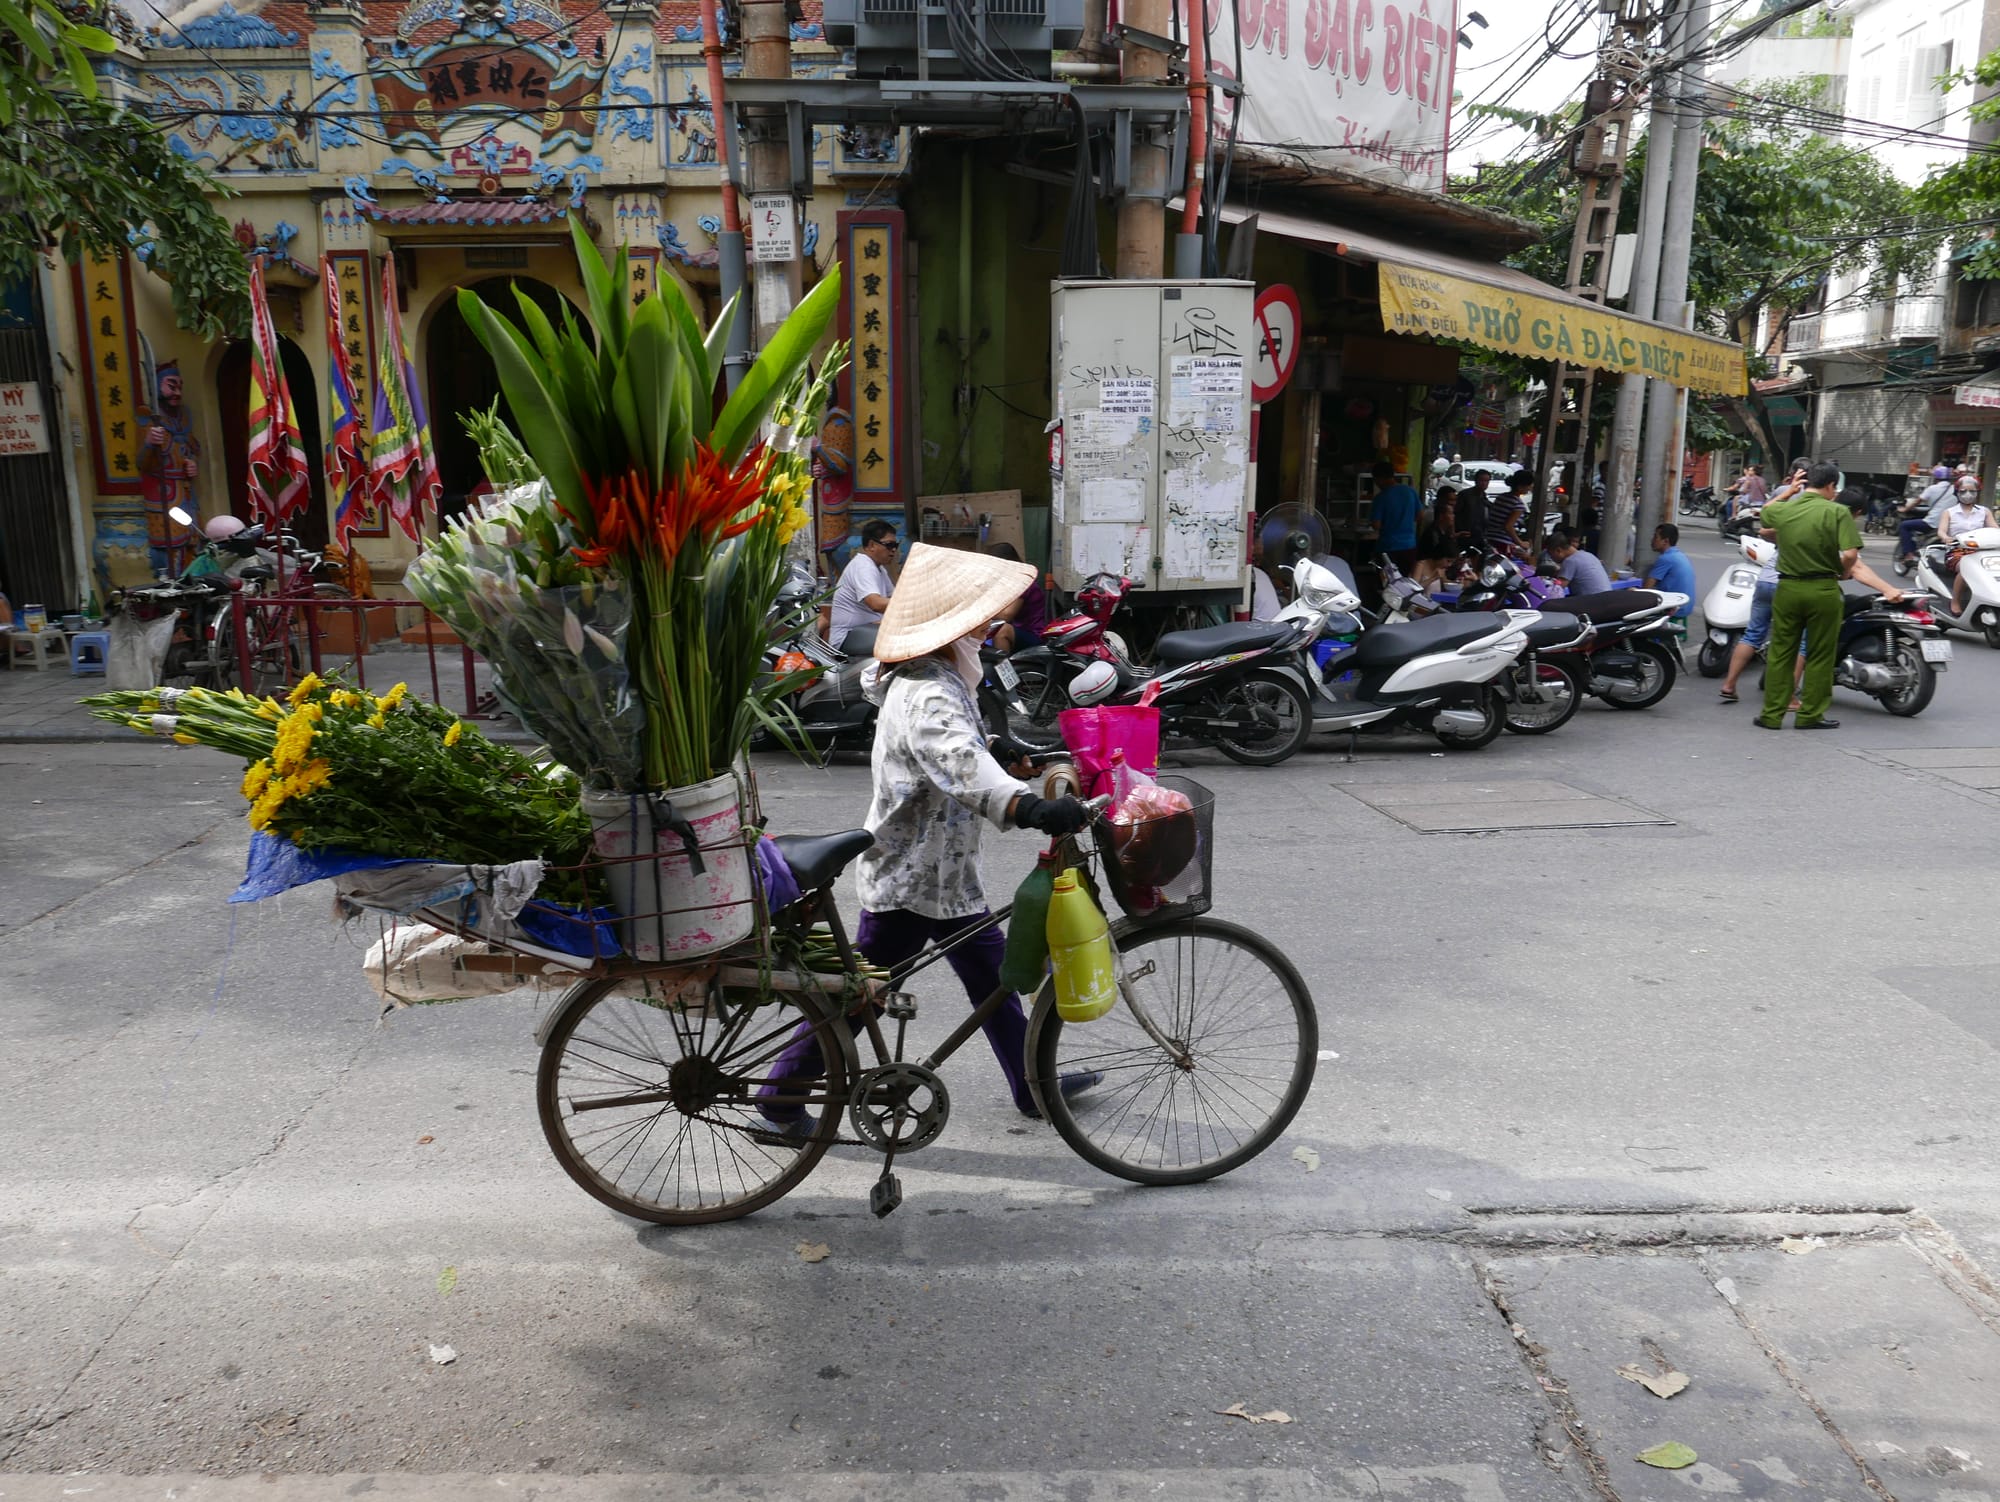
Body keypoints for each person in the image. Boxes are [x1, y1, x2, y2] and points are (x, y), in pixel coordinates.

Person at [756, 545, 1101, 1136]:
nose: (989, 630)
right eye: (980, 620)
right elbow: (958, 762)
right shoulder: (928, 690)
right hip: (912, 878)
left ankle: (1030, 1084)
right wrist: (1030, 806)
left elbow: (962, 752)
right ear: (952, 628)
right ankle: (780, 1094)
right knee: (859, 996)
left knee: (993, 979)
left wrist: (1006, 754)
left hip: (942, 875)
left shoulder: (930, 676)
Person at [1755, 462, 1860, 730]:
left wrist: (1789, 492)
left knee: (1781, 652)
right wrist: (1843, 573)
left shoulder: (1785, 509)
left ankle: (1771, 715)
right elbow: (1849, 554)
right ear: (1830, 485)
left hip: (1788, 588)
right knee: (1820, 654)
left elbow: (1766, 512)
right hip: (1822, 589)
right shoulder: (1837, 512)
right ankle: (1810, 715)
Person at [137, 362, 200, 577]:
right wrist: (148, 442)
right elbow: (142, 463)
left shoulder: (183, 417)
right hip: (163, 495)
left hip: (186, 495)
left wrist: (191, 464)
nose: (177, 393)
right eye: (171, 386)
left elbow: (190, 449)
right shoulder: (147, 418)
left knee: (192, 546)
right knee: (168, 549)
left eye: (179, 387)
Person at [827, 518, 899, 653]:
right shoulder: (863, 566)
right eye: (889, 545)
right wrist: (911, 604)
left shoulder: (879, 569)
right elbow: (875, 603)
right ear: (871, 545)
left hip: (867, 631)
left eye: (896, 545)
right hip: (848, 637)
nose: (894, 550)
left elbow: (895, 597)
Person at [1938, 478, 1998, 613]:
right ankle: (1956, 601)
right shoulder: (1949, 512)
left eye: (1972, 491)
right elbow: (1941, 531)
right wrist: (1946, 538)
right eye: (1963, 491)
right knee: (1966, 569)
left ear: (1977, 492)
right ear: (1957, 493)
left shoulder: (1984, 511)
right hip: (1957, 552)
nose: (1968, 494)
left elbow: (1995, 529)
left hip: (1980, 551)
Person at [984, 542, 1048, 654]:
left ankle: (1002, 669)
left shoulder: (1022, 581)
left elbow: (1006, 615)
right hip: (1019, 629)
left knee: (1002, 631)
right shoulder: (1008, 581)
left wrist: (982, 612)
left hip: (1034, 634)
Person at [1367, 461, 1423, 576]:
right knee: (1406, 583)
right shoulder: (1410, 492)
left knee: (1388, 585)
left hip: (1388, 548)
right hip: (1409, 547)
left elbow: (1376, 525)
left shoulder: (1381, 498)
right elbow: (1420, 515)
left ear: (1380, 478)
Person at [1899, 467, 1957, 562]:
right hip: (1949, 525)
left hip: (1932, 523)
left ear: (1936, 477)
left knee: (1904, 525)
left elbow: (1917, 501)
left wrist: (1905, 509)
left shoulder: (1932, 488)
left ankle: (1909, 555)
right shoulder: (1955, 489)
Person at [1642, 524, 1697, 619]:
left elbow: (1647, 588)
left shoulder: (1666, 559)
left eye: (1656, 537)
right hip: (1686, 606)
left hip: (1675, 609)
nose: (1652, 540)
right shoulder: (1679, 555)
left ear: (1665, 541)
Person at [1546, 528, 1613, 595]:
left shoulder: (1570, 561)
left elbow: (1556, 590)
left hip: (1591, 602)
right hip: (1606, 597)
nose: (1552, 558)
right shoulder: (1588, 555)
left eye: (1551, 555)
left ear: (1558, 550)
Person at [1486, 472, 1531, 553]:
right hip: (1501, 542)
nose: (1530, 487)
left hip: (1489, 538)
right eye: (1529, 485)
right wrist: (1520, 543)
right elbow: (1508, 527)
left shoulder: (1501, 497)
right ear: (1520, 486)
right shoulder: (1518, 504)